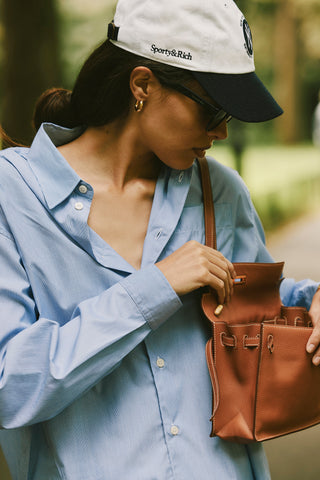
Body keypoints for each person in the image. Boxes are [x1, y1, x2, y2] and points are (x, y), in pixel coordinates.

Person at [0, 0, 320, 479]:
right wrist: (156, 288)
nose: (222, 130)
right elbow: (12, 388)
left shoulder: (219, 191)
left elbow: (261, 304)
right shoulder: (13, 196)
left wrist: (313, 301)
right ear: (142, 85)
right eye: (212, 108)